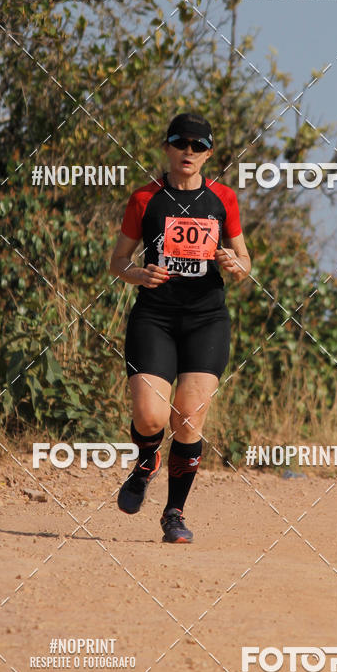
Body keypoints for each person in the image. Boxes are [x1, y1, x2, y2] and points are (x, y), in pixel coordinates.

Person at [109, 113, 251, 543]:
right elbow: (118, 263)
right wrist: (138, 275)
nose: (188, 152)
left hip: (206, 319)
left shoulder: (223, 198)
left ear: (209, 153)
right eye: (180, 143)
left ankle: (174, 513)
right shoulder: (144, 199)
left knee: (187, 419)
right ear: (167, 148)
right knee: (150, 417)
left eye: (198, 145)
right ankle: (146, 461)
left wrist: (234, 264)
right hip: (155, 317)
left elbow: (245, 264)